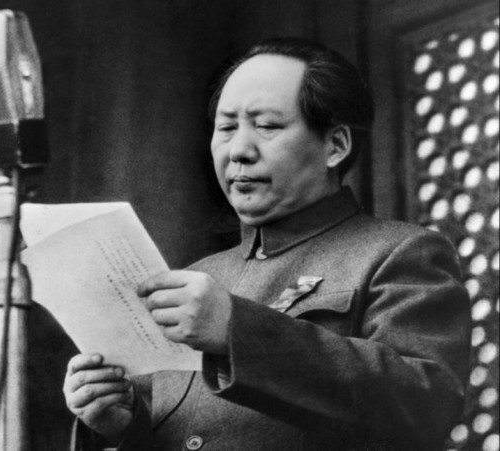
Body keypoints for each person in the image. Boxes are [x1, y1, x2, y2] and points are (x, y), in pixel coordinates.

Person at [63, 38, 471, 451]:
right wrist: (123, 426)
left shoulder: (398, 253)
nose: (238, 150)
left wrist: (235, 330)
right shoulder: (197, 277)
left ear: (335, 145)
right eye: (226, 128)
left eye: (267, 126)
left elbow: (425, 406)